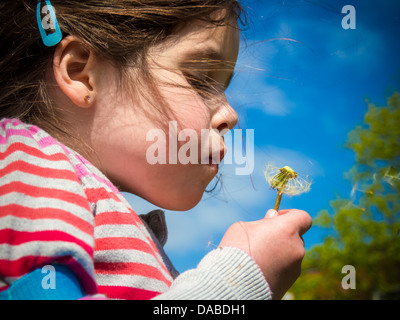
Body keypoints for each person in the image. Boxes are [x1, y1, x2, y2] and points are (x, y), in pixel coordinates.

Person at [0, 0, 312, 300]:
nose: (230, 115)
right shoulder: (28, 162)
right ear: (81, 72)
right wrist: (234, 284)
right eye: (200, 79)